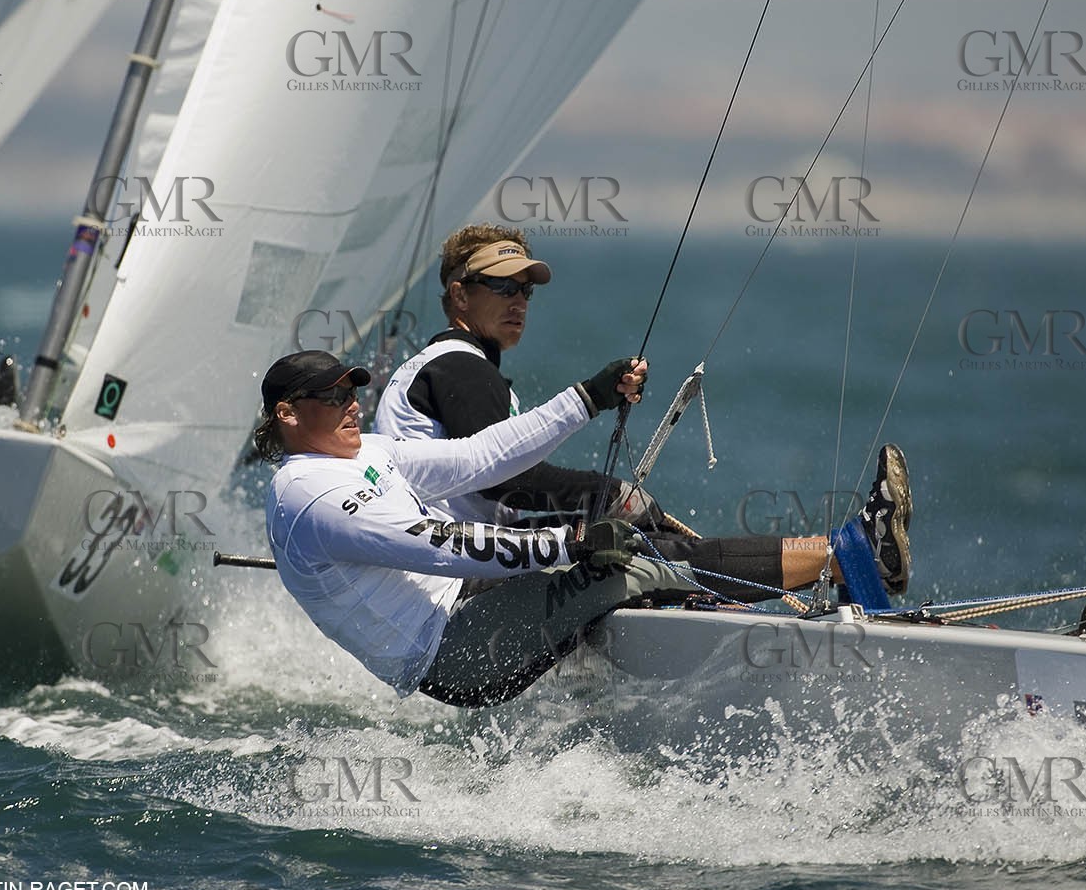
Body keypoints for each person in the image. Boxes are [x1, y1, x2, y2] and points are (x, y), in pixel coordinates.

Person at [257, 349, 907, 708]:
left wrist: (587, 397)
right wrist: (568, 543)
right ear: (288, 414)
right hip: (452, 654)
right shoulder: (307, 496)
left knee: (639, 550)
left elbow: (480, 456)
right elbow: (440, 546)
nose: (351, 405)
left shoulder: (365, 452)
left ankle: (806, 575)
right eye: (333, 398)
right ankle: (852, 557)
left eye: (352, 392)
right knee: (635, 560)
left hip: (475, 604)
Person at [372, 224, 911, 601]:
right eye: (502, 286)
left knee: (637, 538)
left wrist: (606, 502)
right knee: (646, 550)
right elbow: (502, 481)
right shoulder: (459, 368)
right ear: (459, 296)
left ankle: (825, 568)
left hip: (459, 570)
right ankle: (851, 557)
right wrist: (606, 495)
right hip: (459, 591)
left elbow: (493, 486)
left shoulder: (443, 366)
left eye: (526, 290)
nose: (518, 301)